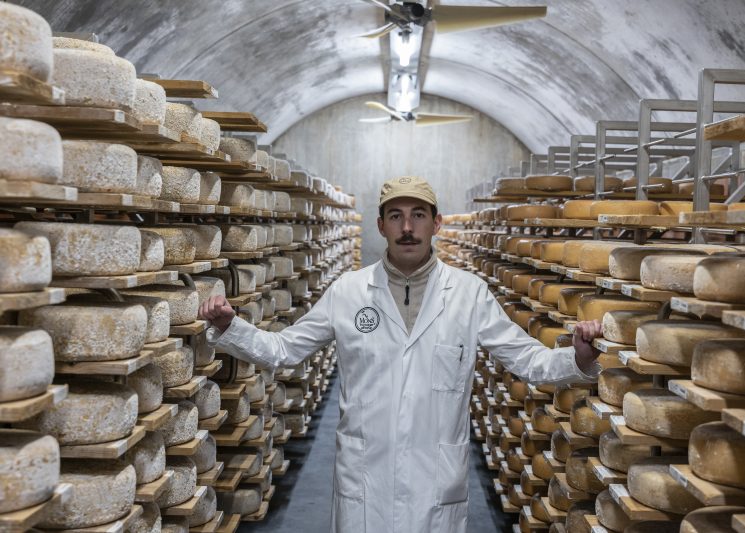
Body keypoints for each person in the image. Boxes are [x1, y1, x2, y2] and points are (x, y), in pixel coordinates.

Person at [201, 176, 603, 533]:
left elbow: (529, 361)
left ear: (437, 223)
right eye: (395, 216)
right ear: (380, 226)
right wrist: (230, 328)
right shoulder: (349, 292)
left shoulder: (468, 294)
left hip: (436, 482)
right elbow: (285, 350)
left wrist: (579, 358)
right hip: (365, 480)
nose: (407, 228)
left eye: (418, 215)